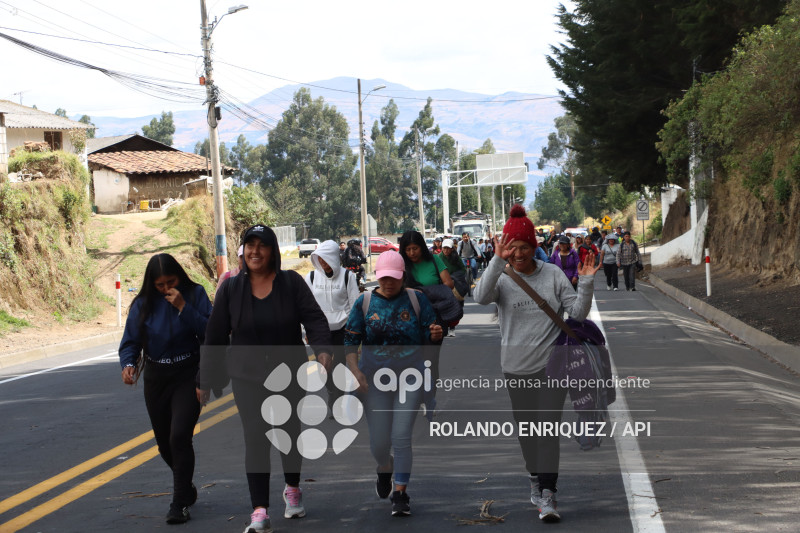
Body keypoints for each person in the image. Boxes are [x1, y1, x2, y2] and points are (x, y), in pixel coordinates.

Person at [197, 224, 332, 533]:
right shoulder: (231, 289)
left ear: (273, 251)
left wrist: (323, 349)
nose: (255, 251)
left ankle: (292, 488)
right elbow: (214, 336)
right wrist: (204, 378)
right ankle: (259, 510)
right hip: (247, 376)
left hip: (289, 373)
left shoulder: (291, 283)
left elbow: (313, 317)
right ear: (243, 250)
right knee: (256, 438)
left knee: (289, 432)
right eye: (250, 245)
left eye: (262, 245)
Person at [473, 205, 599, 523]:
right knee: (528, 432)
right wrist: (496, 260)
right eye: (513, 247)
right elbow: (480, 298)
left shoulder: (553, 274)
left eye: (524, 247)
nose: (518, 254)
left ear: (534, 246)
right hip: (515, 368)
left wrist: (585, 283)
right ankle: (535, 476)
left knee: (546, 430)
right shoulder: (502, 276)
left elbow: (577, 314)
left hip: (552, 367)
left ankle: (547, 493)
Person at [344, 250, 443, 517]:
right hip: (375, 381)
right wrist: (355, 371)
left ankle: (400, 492)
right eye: (384, 277)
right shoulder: (364, 302)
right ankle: (385, 466)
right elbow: (350, 341)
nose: (389, 283)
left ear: (403, 277)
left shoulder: (416, 300)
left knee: (401, 435)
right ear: (377, 276)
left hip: (410, 377)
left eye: (394, 278)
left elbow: (431, 334)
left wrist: (436, 334)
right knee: (379, 443)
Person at [118, 253, 212, 524]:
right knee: (164, 444)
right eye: (160, 285)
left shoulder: (195, 294)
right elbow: (131, 341)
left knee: (179, 436)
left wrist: (184, 307)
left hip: (188, 373)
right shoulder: (143, 303)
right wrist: (128, 364)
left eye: (171, 282)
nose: (166, 288)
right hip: (157, 377)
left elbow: (211, 332)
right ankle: (186, 486)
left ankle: (179, 503)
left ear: (179, 276)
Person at [304, 239, 360, 411]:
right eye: (320, 259)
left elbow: (355, 304)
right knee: (324, 367)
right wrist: (306, 331)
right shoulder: (311, 277)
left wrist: (354, 331)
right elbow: (306, 307)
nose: (323, 263)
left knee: (339, 366)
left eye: (326, 259)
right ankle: (331, 391)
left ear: (335, 258)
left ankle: (338, 400)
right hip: (320, 331)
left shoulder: (347, 276)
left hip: (343, 329)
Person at [399, 230, 453, 385]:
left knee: (430, 361)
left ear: (422, 247)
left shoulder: (434, 260)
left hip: (434, 319)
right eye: (408, 249)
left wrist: (426, 292)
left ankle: (429, 395)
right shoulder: (400, 265)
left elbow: (449, 283)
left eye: (415, 248)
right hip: (407, 320)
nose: (411, 253)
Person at [439, 238, 467, 337]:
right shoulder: (438, 258)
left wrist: (453, 277)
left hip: (455, 285)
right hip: (443, 285)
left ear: (452, 249)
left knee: (455, 307)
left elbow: (463, 270)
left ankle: (452, 328)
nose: (446, 250)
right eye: (444, 248)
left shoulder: (456, 258)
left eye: (448, 248)